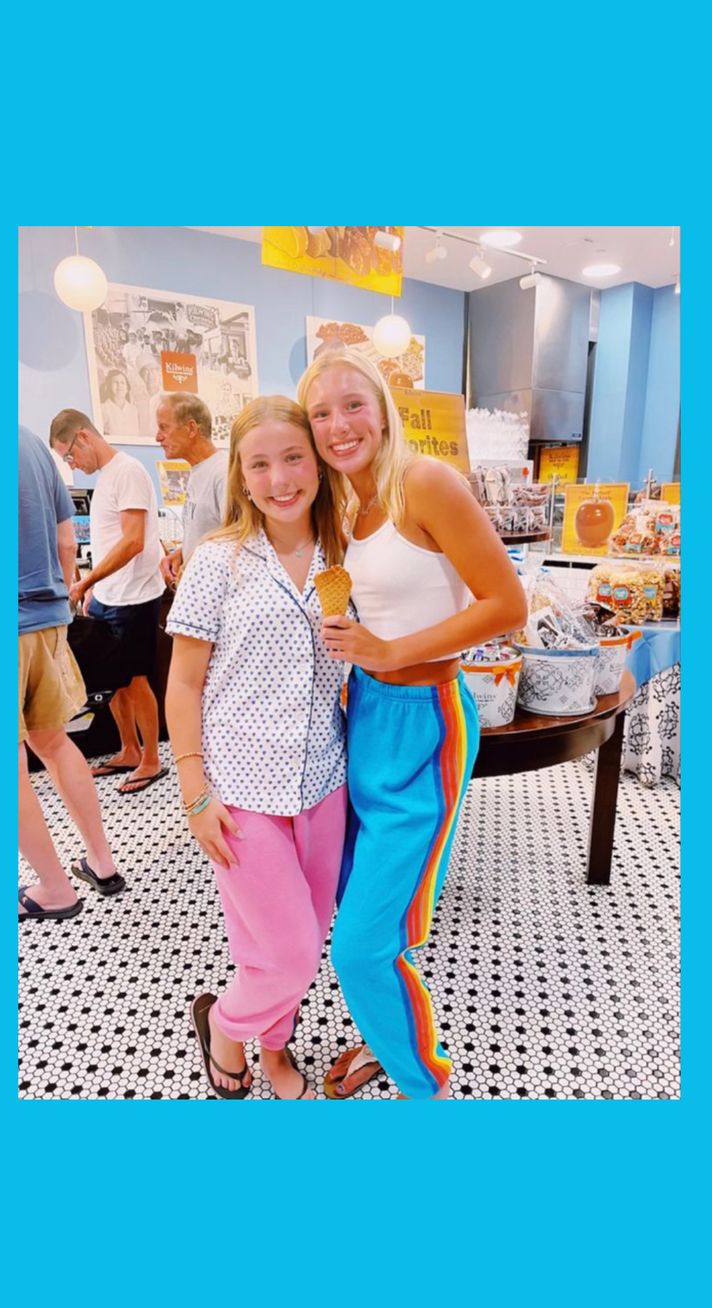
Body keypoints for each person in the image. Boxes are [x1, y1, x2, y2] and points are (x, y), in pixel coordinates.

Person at [297, 348, 528, 1100]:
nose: (338, 425)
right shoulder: (339, 502)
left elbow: (507, 604)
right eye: (321, 413)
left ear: (383, 406)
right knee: (358, 906)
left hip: (426, 717)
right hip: (360, 711)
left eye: (352, 404)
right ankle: (382, 1035)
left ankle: (423, 1087)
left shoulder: (423, 482)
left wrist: (391, 649)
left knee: (361, 946)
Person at [165, 396, 349, 1099]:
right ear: (240, 475)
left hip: (325, 786)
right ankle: (223, 1029)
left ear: (319, 460)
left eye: (294, 457)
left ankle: (274, 1053)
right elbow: (182, 685)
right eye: (260, 463)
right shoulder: (220, 561)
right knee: (294, 953)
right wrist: (195, 794)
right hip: (241, 795)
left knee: (274, 944)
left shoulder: (344, 554)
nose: (280, 478)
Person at [18, 426, 125, 922]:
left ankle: (56, 888)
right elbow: (66, 538)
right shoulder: (30, 442)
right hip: (47, 617)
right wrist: (61, 602)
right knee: (54, 742)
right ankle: (101, 863)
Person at [49, 409, 167, 795]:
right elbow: (108, 541)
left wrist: (88, 583)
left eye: (69, 456)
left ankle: (151, 759)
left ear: (83, 437)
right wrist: (94, 585)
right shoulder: (108, 477)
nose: (73, 465)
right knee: (113, 682)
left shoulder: (129, 470)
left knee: (135, 680)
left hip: (134, 597)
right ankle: (128, 750)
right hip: (109, 594)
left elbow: (133, 541)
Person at [154, 393, 228, 584]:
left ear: (191, 428)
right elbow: (210, 533)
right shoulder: (198, 470)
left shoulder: (223, 473)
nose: (158, 437)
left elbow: (237, 545)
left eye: (164, 428)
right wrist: (183, 553)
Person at [101, 368, 140, 438]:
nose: (119, 386)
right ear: (109, 386)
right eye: (115, 382)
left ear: (127, 388)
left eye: (122, 382)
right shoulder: (103, 408)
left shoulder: (134, 410)